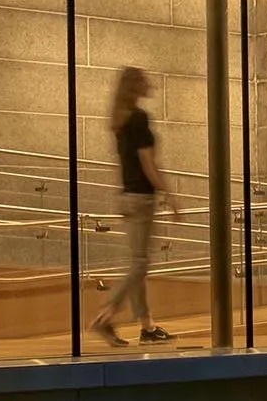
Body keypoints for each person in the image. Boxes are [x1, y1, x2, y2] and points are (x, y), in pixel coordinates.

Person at [91, 66, 179, 346]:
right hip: (141, 199)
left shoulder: (120, 121)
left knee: (138, 264)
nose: (148, 84)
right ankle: (105, 317)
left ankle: (147, 326)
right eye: (142, 81)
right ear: (134, 86)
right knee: (140, 265)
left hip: (127, 197)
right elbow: (147, 163)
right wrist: (170, 193)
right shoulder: (139, 119)